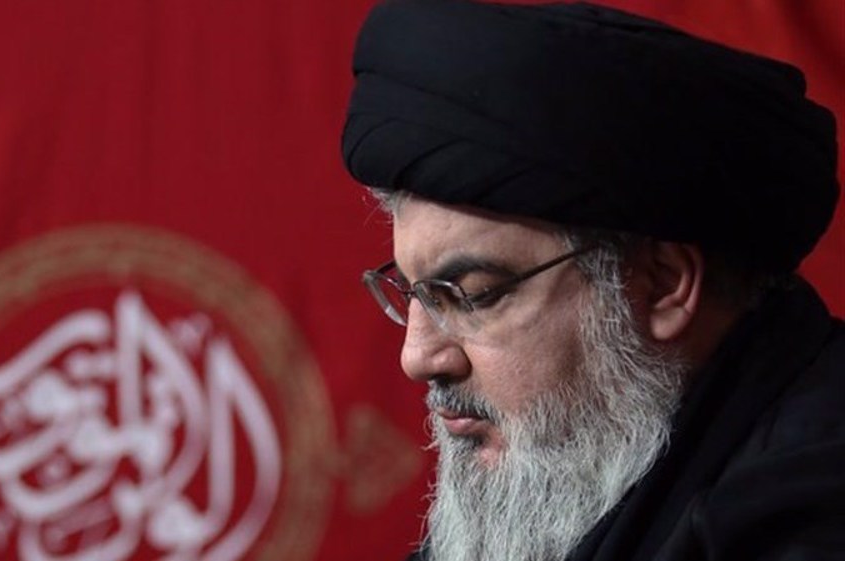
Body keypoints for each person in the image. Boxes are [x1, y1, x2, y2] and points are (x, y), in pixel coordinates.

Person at [340, 1, 845, 560]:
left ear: (663, 283)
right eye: (412, 292)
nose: (417, 357)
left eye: (474, 296)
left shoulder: (811, 521)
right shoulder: (564, 474)